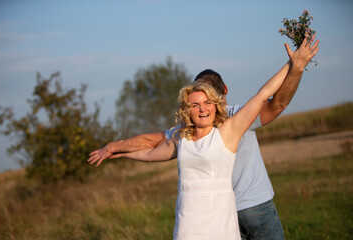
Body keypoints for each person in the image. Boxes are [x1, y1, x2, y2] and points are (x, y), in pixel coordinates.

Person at [88, 36, 319, 239]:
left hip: (230, 218)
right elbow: (149, 151)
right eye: (195, 104)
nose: (202, 109)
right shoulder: (182, 136)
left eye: (208, 102)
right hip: (191, 226)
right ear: (186, 109)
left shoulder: (231, 127)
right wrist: (115, 151)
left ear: (217, 101)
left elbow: (264, 95)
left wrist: (294, 64)